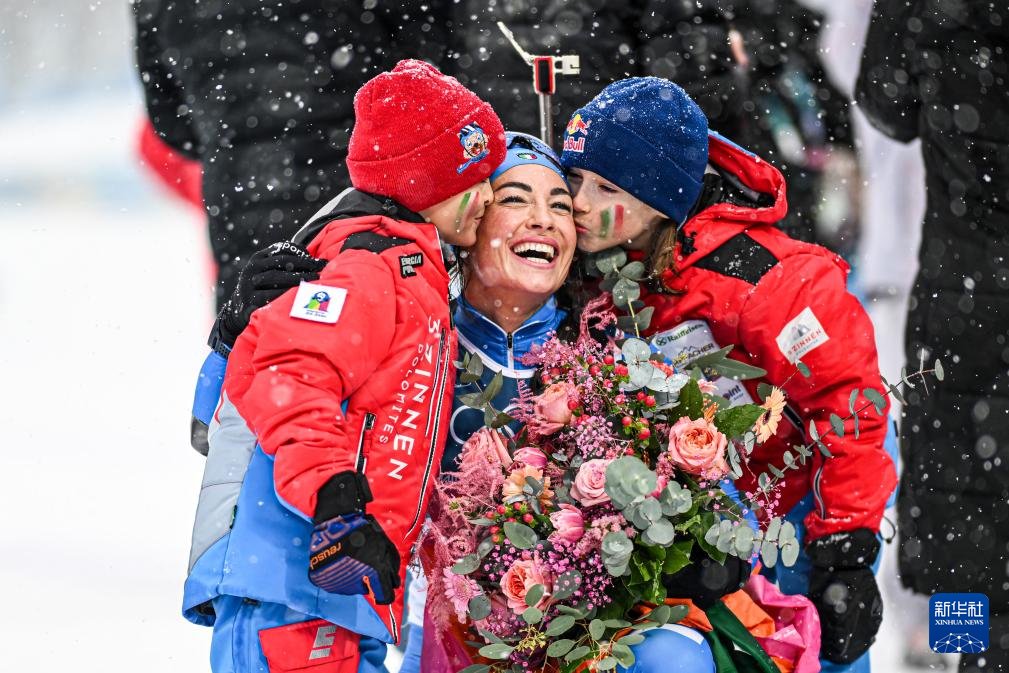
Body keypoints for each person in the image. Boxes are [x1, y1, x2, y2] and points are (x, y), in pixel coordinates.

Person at [559, 77, 896, 672]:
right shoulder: (591, 272)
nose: (579, 202)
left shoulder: (765, 280)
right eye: (574, 179)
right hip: (697, 521)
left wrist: (843, 550)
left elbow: (847, 400)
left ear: (662, 198)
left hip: (799, 509)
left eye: (606, 186)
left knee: (817, 650)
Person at [181, 60, 506, 673]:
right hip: (293, 575)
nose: (489, 197)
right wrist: (334, 499)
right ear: (425, 181)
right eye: (477, 179)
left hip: (343, 580)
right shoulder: (369, 266)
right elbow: (290, 378)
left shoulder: (416, 273)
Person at [856, 3, 1009, 672]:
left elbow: (884, 103)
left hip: (963, 294)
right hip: (963, 290)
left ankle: (961, 654)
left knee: (959, 515)